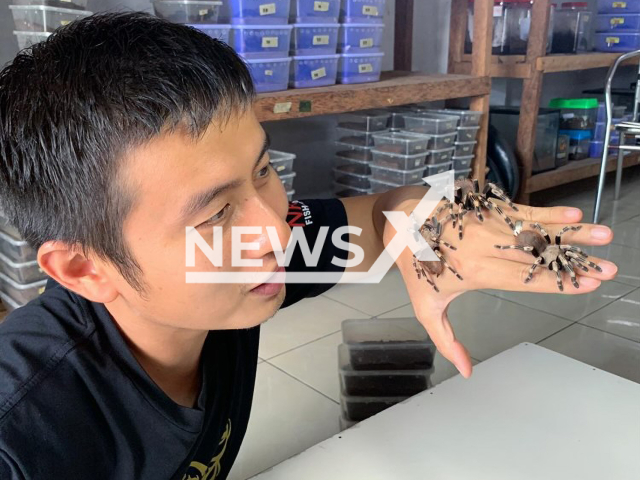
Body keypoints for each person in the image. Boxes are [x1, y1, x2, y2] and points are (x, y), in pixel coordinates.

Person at [0, 13, 617, 480]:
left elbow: (378, 221)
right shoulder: (24, 433)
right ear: (83, 268)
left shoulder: (241, 265)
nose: (277, 230)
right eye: (216, 213)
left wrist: (429, 226)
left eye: (263, 170)